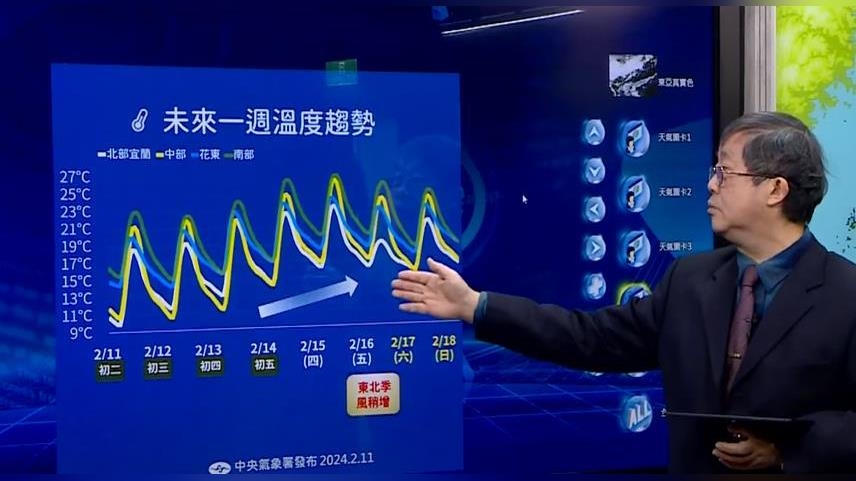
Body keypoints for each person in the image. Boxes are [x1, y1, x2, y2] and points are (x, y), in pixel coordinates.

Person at [391, 111, 856, 474]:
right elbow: (590, 338)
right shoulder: (691, 280)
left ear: (775, 190)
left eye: (724, 172)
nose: (710, 184)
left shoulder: (846, 294)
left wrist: (784, 451)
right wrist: (476, 306)